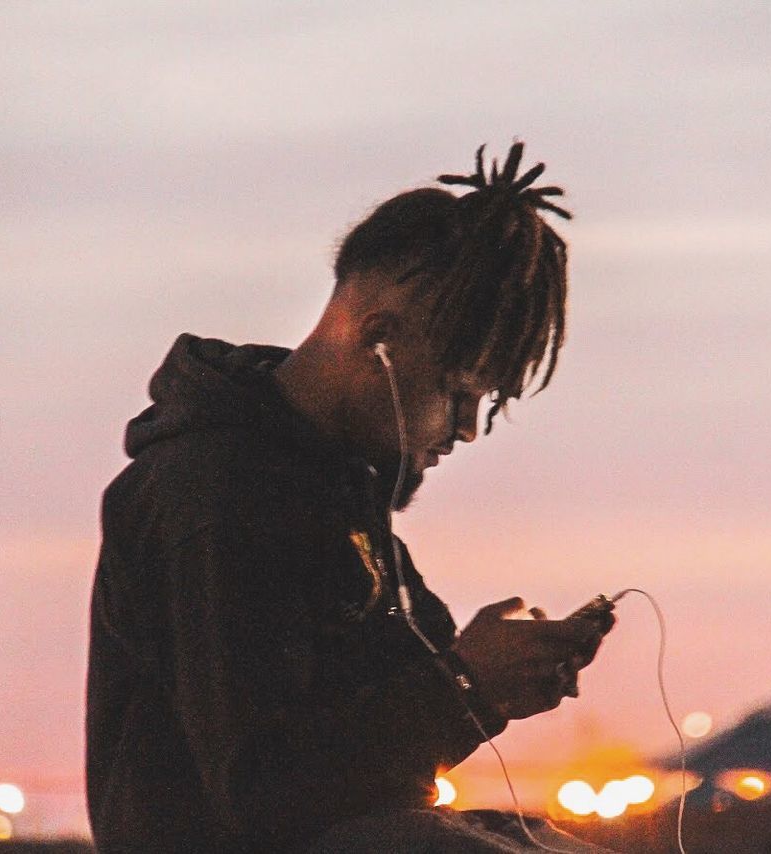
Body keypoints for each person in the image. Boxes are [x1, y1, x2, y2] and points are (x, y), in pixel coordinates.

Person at [86, 142, 617, 852]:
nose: (466, 429)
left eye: (484, 406)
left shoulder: (339, 488)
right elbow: (262, 793)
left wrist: (494, 676)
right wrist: (467, 684)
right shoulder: (214, 496)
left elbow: (370, 750)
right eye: (459, 393)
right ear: (378, 340)